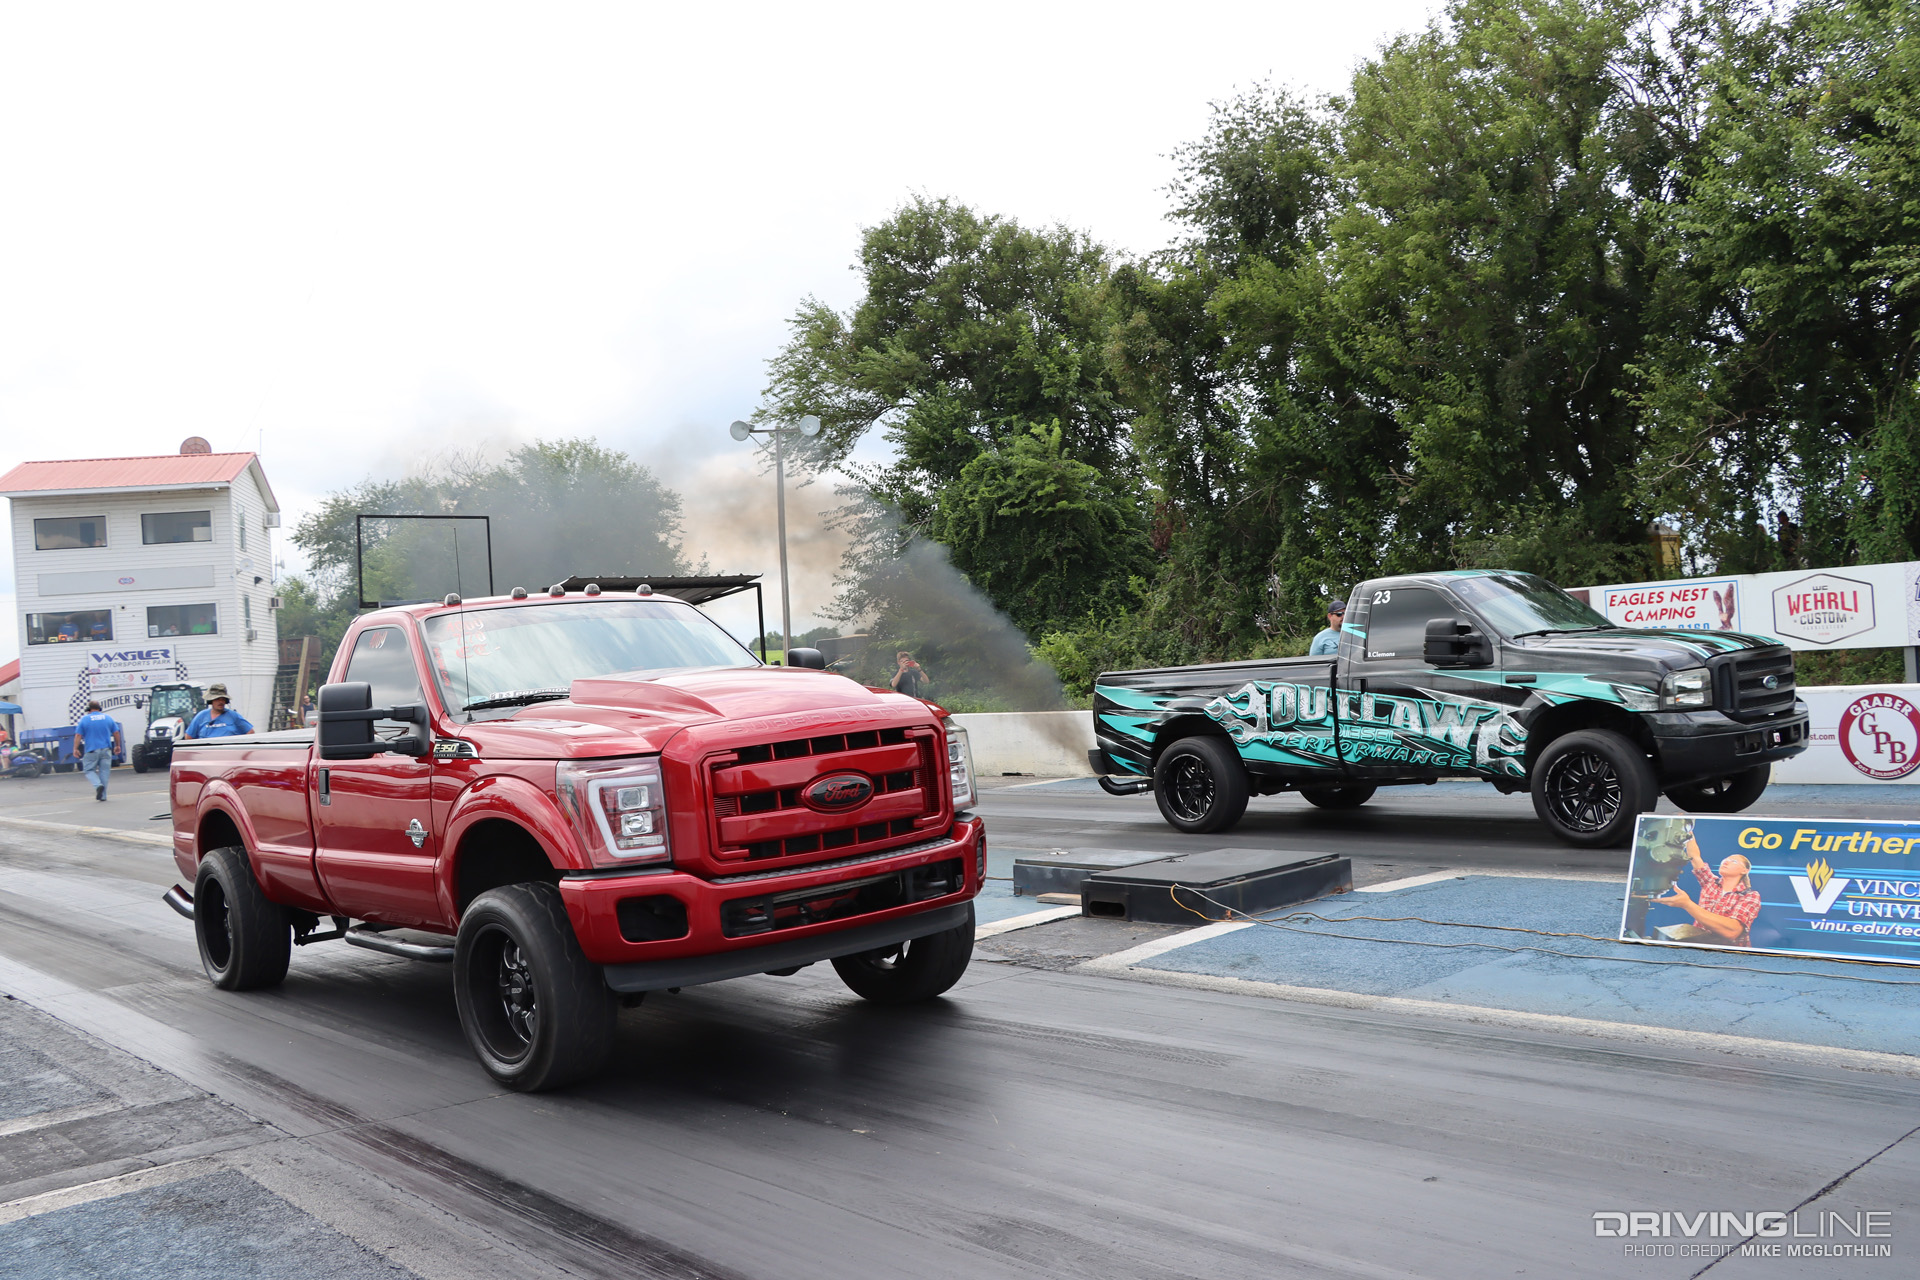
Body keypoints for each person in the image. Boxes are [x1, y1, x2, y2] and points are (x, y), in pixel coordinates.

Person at [1656, 837, 1761, 947]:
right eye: (1725, 859)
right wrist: (1689, 832)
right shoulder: (1710, 883)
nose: (1726, 862)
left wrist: (1687, 904)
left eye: (1733, 861)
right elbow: (1695, 857)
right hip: (1698, 945)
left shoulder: (1750, 896)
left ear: (1745, 870)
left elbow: (1731, 931)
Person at [72, 700, 124, 802]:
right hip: (106, 750)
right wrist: (117, 746)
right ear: (99, 708)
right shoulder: (108, 718)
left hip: (92, 750)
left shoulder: (85, 719)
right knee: (104, 772)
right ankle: (103, 796)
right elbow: (116, 732)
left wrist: (75, 748)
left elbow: (78, 735)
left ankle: (98, 785)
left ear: (89, 709)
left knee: (88, 770)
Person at [183, 684, 255, 739]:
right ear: (211, 701)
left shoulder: (233, 716)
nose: (220, 702)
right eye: (217, 699)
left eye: (223, 699)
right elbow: (188, 737)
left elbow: (250, 732)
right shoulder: (201, 716)